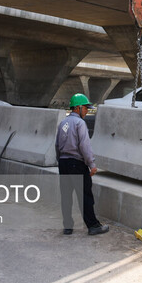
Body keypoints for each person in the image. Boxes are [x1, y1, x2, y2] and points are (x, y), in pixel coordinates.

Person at [56, 93, 109, 236]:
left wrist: (60, 161)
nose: (87, 111)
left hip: (64, 163)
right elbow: (84, 146)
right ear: (78, 108)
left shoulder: (63, 123)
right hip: (77, 164)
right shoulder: (80, 123)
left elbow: (57, 145)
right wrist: (91, 164)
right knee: (85, 196)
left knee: (66, 196)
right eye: (85, 108)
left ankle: (68, 227)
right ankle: (93, 226)